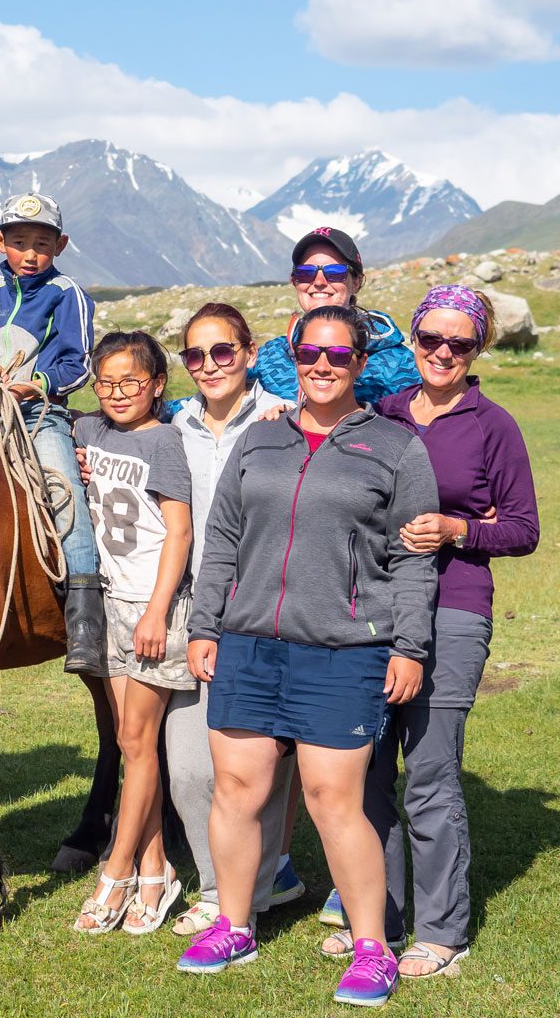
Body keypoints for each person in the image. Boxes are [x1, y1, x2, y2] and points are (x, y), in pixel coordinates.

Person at [178, 304, 437, 1010]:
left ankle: (372, 947)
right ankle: (234, 925)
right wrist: (206, 627)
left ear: (360, 363)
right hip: (249, 644)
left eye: (339, 356)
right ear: (291, 357)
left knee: (332, 801)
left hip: (344, 650)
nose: (322, 366)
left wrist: (409, 645)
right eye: (309, 354)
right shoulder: (260, 442)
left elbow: (414, 561)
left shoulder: (395, 448)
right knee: (237, 791)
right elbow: (223, 538)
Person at [314, 285, 537, 977]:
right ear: (411, 341)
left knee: (431, 773)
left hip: (455, 607)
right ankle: (378, 918)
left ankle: (442, 931)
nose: (443, 353)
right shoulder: (379, 413)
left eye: (460, 343)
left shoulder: (492, 424)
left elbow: (524, 528)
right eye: (431, 340)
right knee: (370, 769)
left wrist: (458, 528)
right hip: (374, 609)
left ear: (478, 350)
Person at [156, 303, 299, 938]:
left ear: (246, 353)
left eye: (221, 352)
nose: (209, 365)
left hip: (262, 607)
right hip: (193, 606)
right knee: (189, 765)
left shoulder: (282, 419)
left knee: (257, 766)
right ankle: (227, 884)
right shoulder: (174, 425)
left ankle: (249, 889)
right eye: (194, 355)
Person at [68, 331, 196, 937]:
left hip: (152, 605)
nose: (119, 394)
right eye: (108, 383)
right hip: (110, 599)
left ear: (158, 385)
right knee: (127, 740)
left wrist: (158, 610)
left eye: (132, 383)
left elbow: (179, 533)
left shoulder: (166, 441)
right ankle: (156, 869)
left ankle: (115, 871)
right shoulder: (92, 431)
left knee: (139, 742)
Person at [0, 193, 102, 671]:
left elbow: (79, 365)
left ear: (61, 245)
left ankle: (83, 622)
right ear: (0, 241)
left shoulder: (68, 294)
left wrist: (38, 383)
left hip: (41, 416)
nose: (31, 253)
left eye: (42, 243)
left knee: (66, 496)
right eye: (19, 242)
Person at [252, 227, 418, 406]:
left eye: (335, 272)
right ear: (295, 282)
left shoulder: (398, 363)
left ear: (356, 282)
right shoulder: (269, 356)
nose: (319, 282)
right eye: (306, 273)